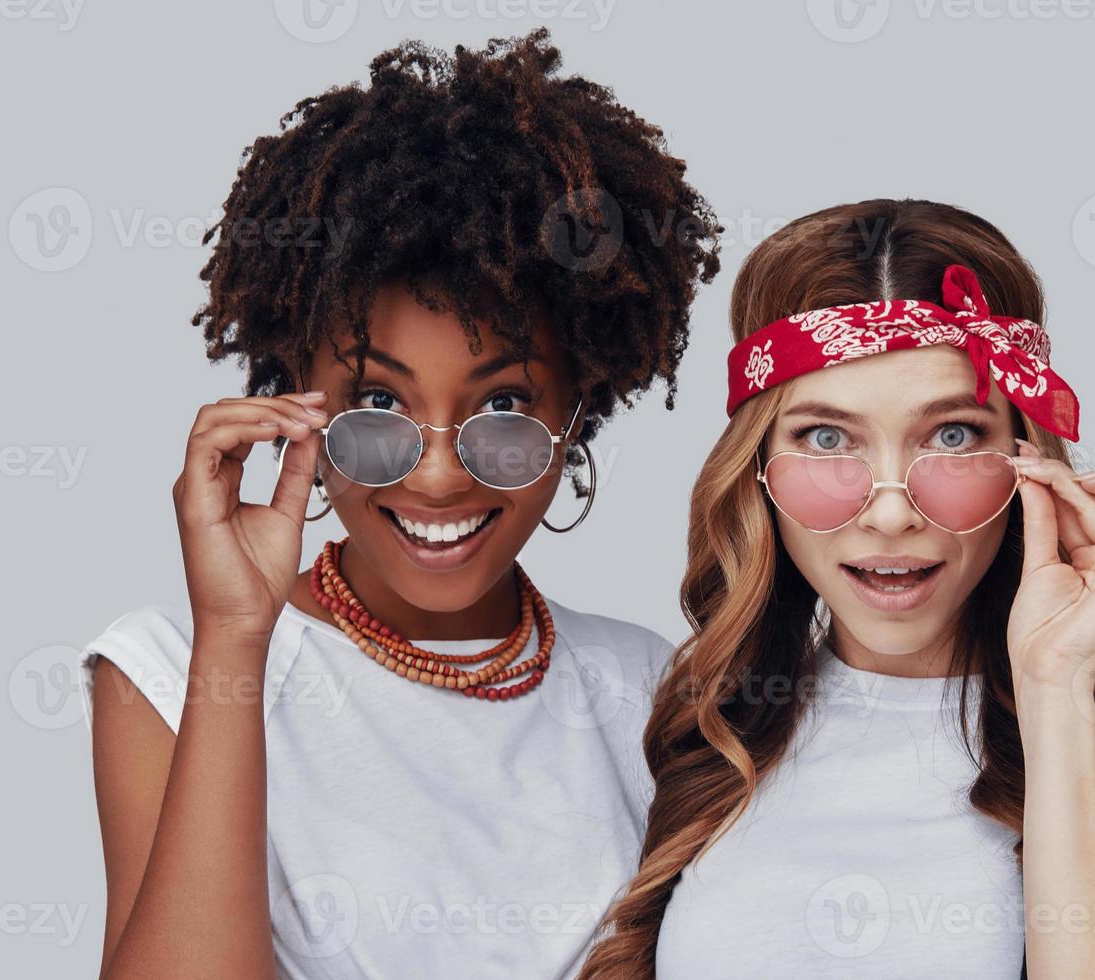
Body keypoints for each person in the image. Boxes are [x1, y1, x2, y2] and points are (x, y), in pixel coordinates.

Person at [77, 30, 718, 979]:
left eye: (503, 407)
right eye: (378, 404)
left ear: (575, 416)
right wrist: (235, 637)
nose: (435, 475)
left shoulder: (653, 689)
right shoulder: (167, 674)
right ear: (298, 399)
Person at [580, 199, 1095, 979]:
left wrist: (1055, 694)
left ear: (1027, 459)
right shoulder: (692, 732)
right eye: (825, 439)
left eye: (952, 436)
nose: (890, 511)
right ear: (757, 473)